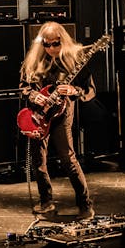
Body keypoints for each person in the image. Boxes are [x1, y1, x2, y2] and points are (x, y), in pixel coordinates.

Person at [19, 21, 96, 220]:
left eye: (55, 44)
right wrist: (32, 95)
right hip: (39, 114)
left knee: (67, 158)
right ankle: (46, 201)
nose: (51, 48)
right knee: (38, 160)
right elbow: (24, 87)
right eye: (47, 44)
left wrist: (73, 90)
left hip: (63, 113)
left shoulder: (74, 61)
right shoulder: (34, 61)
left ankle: (85, 205)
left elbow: (90, 91)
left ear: (63, 41)